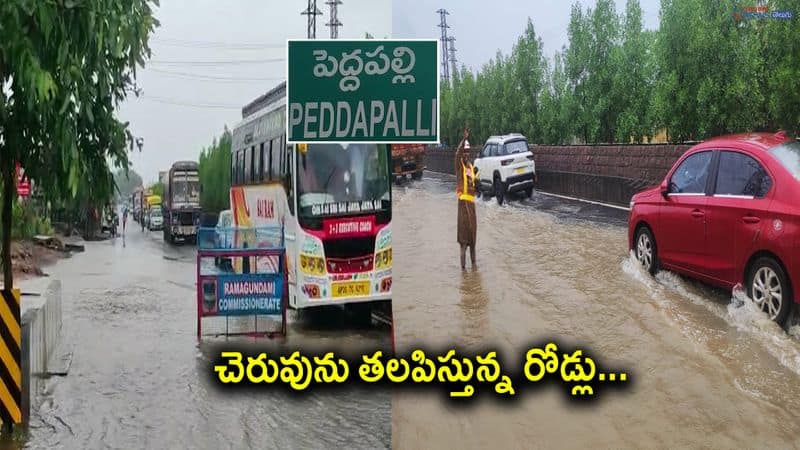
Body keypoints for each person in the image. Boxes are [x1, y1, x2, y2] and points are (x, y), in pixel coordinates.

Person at [455, 128, 478, 269]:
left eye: (468, 151)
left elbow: (473, 183)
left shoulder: (470, 166)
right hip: (463, 207)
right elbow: (457, 154)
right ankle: (463, 272)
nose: (466, 154)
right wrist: (463, 140)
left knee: (473, 242)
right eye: (465, 151)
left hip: (472, 207)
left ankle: (474, 270)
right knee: (464, 243)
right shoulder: (459, 166)